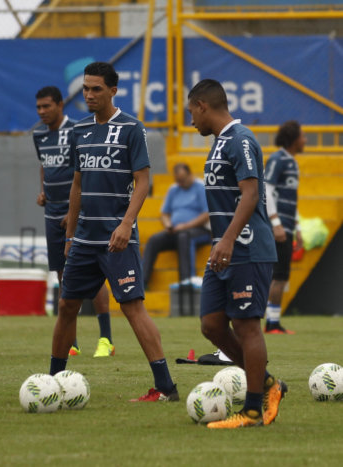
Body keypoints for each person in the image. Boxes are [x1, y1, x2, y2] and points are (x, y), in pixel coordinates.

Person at [49, 62, 178, 402]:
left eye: (96, 89)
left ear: (113, 90)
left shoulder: (132, 129)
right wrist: (70, 235)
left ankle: (166, 387)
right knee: (66, 306)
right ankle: (53, 382)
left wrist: (126, 224)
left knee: (133, 307)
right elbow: (77, 185)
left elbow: (144, 181)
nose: (89, 95)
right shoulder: (78, 131)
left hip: (117, 241)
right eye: (86, 89)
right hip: (83, 241)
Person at [187, 78, 287, 428]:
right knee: (212, 324)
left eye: (191, 113)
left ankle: (253, 410)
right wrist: (222, 242)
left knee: (246, 326)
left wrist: (227, 239)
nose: (191, 122)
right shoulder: (219, 144)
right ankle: (270, 384)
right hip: (225, 248)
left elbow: (250, 194)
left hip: (246, 247)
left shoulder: (240, 138)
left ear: (203, 106)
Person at [33, 85, 114, 358]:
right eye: (39, 107)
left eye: (47, 106)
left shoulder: (76, 131)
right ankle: (73, 341)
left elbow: (84, 171)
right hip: (51, 214)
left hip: (77, 214)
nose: (42, 112)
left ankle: (106, 339)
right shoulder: (38, 134)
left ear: (59, 105)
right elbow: (44, 164)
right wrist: (43, 190)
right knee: (63, 277)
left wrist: (75, 211)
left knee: (91, 276)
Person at [263, 121, 304, 334]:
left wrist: (297, 227)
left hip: (287, 226)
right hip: (276, 227)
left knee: (282, 275)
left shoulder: (292, 162)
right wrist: (276, 223)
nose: (305, 140)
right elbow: (266, 190)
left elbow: (290, 197)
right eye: (302, 136)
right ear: (293, 138)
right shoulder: (278, 159)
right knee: (278, 275)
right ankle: (271, 323)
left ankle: (273, 322)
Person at [142, 163, 210, 288]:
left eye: (183, 180)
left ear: (190, 175)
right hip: (176, 231)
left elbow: (206, 214)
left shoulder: (200, 187)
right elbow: (164, 213)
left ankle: (186, 282)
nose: (181, 183)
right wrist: (168, 225)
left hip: (200, 231)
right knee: (154, 240)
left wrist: (185, 226)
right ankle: (142, 281)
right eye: (178, 180)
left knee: (184, 236)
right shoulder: (174, 189)